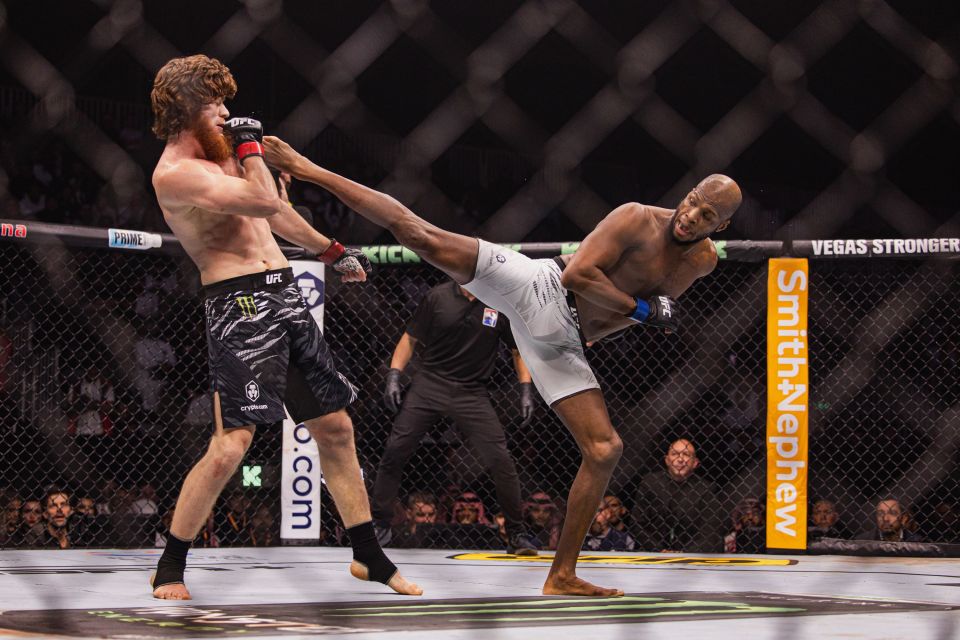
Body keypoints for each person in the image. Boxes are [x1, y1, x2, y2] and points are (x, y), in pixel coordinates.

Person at [264, 135, 741, 596]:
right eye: (694, 200)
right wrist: (639, 312)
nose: (692, 215)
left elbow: (644, 310)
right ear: (687, 192)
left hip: (565, 342)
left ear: (718, 228)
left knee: (604, 449)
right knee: (419, 233)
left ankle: (562, 576)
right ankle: (307, 168)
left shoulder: (700, 262)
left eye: (707, 215)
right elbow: (581, 276)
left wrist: (596, 335)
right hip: (541, 288)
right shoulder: (635, 218)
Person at [148, 54, 420, 599]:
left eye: (226, 102)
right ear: (185, 110)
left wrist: (331, 250)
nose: (226, 113)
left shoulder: (227, 157)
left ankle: (368, 555)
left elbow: (276, 214)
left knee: (337, 428)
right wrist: (252, 152)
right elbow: (260, 199)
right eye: (215, 104)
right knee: (232, 444)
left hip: (285, 296)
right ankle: (170, 565)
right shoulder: (176, 173)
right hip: (239, 305)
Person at [371, 280, 537, 555]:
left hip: (472, 392)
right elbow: (410, 337)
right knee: (395, 450)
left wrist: (525, 389)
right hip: (430, 385)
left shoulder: (500, 302)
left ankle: (517, 533)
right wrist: (394, 375)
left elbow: (518, 349)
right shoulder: (437, 297)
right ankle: (380, 523)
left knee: (500, 459)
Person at [632, 438, 723, 553]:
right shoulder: (650, 483)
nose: (680, 459)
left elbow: (710, 531)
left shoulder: (706, 489)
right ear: (667, 460)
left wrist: (685, 554)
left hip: (691, 558)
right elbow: (637, 524)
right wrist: (659, 551)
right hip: (652, 554)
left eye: (686, 454)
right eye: (674, 454)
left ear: (695, 463)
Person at [857, 498, 925, 543]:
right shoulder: (862, 541)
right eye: (880, 514)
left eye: (892, 513)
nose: (885, 518)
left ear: (904, 518)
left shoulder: (917, 541)